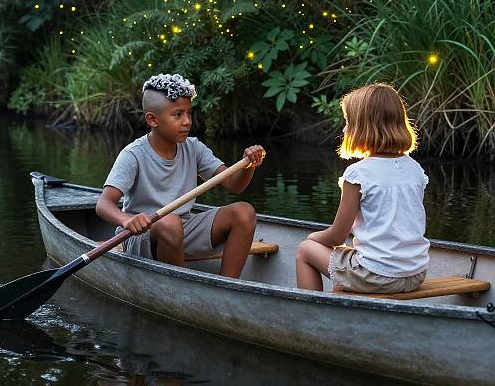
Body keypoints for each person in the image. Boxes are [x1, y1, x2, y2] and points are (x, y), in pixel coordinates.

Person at [96, 73, 266, 279]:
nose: (187, 121)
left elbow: (235, 186)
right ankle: (181, 289)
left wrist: (249, 164)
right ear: (152, 119)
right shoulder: (133, 154)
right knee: (170, 223)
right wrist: (126, 220)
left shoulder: (193, 147)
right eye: (178, 115)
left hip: (184, 228)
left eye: (188, 113)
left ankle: (227, 286)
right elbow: (103, 204)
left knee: (244, 212)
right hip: (141, 236)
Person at [296, 83, 430, 294]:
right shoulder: (415, 169)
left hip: (377, 276)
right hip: (415, 274)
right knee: (349, 255)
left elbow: (336, 236)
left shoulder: (358, 174)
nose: (345, 129)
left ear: (363, 127)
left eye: (348, 123)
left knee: (305, 250)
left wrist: (314, 237)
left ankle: (311, 313)